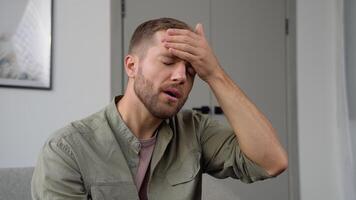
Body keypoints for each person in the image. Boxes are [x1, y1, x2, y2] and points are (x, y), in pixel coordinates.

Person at [31, 17, 288, 200]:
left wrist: (214, 73)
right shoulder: (67, 150)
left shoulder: (194, 130)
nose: (181, 77)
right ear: (132, 66)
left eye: (191, 71)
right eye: (168, 61)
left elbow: (271, 162)